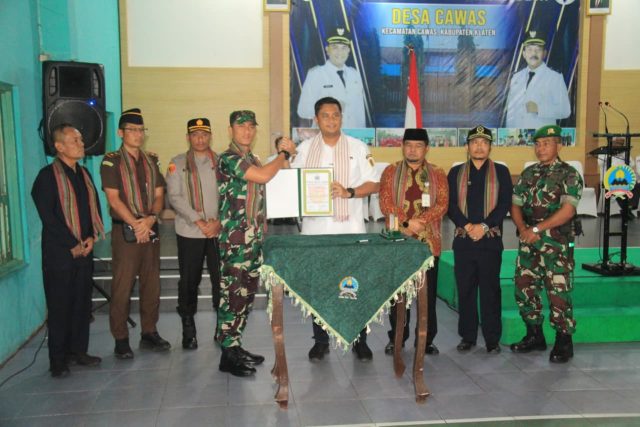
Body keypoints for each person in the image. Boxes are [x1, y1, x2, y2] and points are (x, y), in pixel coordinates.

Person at [291, 96, 379, 361]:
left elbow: (373, 183)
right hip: (315, 230)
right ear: (316, 119)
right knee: (319, 286)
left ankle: (359, 339)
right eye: (325, 115)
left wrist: (349, 192)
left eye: (335, 115)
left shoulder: (358, 147)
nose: (331, 120)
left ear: (342, 117)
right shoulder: (305, 149)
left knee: (353, 284)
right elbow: (292, 183)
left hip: (350, 229)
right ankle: (321, 341)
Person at [216, 110, 296, 376]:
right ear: (231, 130)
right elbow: (262, 177)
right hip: (236, 241)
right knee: (232, 295)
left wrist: (286, 155)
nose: (247, 131)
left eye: (251, 126)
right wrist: (283, 155)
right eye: (241, 127)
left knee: (246, 294)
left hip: (253, 239)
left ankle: (235, 344)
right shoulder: (228, 158)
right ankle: (227, 353)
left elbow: (273, 178)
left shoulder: (254, 158)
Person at [31, 124, 104, 377]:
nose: (81, 144)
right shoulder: (46, 177)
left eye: (81, 140)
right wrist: (71, 243)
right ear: (59, 146)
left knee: (82, 303)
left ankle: (78, 351)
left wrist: (91, 237)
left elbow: (93, 208)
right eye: (75, 140)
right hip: (59, 254)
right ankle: (58, 360)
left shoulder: (84, 174)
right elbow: (48, 217)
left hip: (84, 249)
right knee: (60, 305)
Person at [100, 108, 170, 359]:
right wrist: (136, 225)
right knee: (123, 286)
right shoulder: (111, 161)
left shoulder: (151, 160)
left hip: (149, 227)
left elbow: (160, 195)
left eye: (141, 130)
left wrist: (149, 219)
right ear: (121, 133)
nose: (138, 134)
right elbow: (113, 199)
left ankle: (149, 332)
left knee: (152, 284)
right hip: (126, 233)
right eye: (132, 130)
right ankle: (120, 338)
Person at [510, 124, 583, 363]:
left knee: (558, 293)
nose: (541, 148)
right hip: (528, 243)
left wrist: (536, 229)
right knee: (524, 287)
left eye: (547, 144)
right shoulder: (528, 174)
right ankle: (534, 335)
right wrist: (523, 229)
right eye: (538, 144)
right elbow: (515, 204)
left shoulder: (569, 174)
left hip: (556, 244)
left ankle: (564, 342)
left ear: (558, 145)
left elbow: (568, 211)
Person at [379, 128, 448, 356]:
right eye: (408, 145)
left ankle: (426, 340)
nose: (412, 150)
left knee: (427, 296)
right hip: (398, 241)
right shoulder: (391, 171)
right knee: (399, 295)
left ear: (426, 148)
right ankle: (397, 339)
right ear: (403, 146)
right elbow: (385, 202)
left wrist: (421, 222)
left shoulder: (437, 173)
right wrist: (407, 223)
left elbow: (442, 204)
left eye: (418, 146)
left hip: (429, 244)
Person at [447, 126, 513, 354]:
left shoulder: (501, 172)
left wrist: (484, 226)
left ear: (490, 147)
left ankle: (492, 339)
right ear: (467, 146)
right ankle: (468, 336)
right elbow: (450, 205)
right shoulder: (456, 173)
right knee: (465, 290)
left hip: (490, 241)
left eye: (484, 143)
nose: (479, 147)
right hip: (464, 241)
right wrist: (468, 226)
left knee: (490, 291)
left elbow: (504, 204)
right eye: (474, 142)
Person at [166, 118, 221, 350]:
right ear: (188, 137)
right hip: (190, 232)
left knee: (221, 281)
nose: (200, 139)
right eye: (195, 135)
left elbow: (229, 194)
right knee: (189, 281)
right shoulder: (177, 163)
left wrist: (218, 222)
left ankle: (222, 328)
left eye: (204, 134)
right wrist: (199, 220)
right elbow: (175, 197)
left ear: (210, 136)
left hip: (217, 232)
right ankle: (188, 328)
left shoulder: (221, 162)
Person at [297, 29, 366, 129]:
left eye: (344, 48)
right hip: (325, 134)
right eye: (335, 47)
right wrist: (330, 108)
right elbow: (303, 110)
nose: (340, 52)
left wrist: (362, 134)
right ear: (327, 50)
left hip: (351, 135)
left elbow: (360, 113)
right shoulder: (315, 74)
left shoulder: (354, 74)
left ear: (349, 51)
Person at [505, 31, 571, 129]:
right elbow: (511, 112)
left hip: (542, 135)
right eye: (529, 50)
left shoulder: (555, 78)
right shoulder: (516, 77)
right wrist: (508, 133)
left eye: (538, 50)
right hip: (517, 136)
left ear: (544, 53)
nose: (533, 54)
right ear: (524, 54)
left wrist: (539, 109)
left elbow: (565, 110)